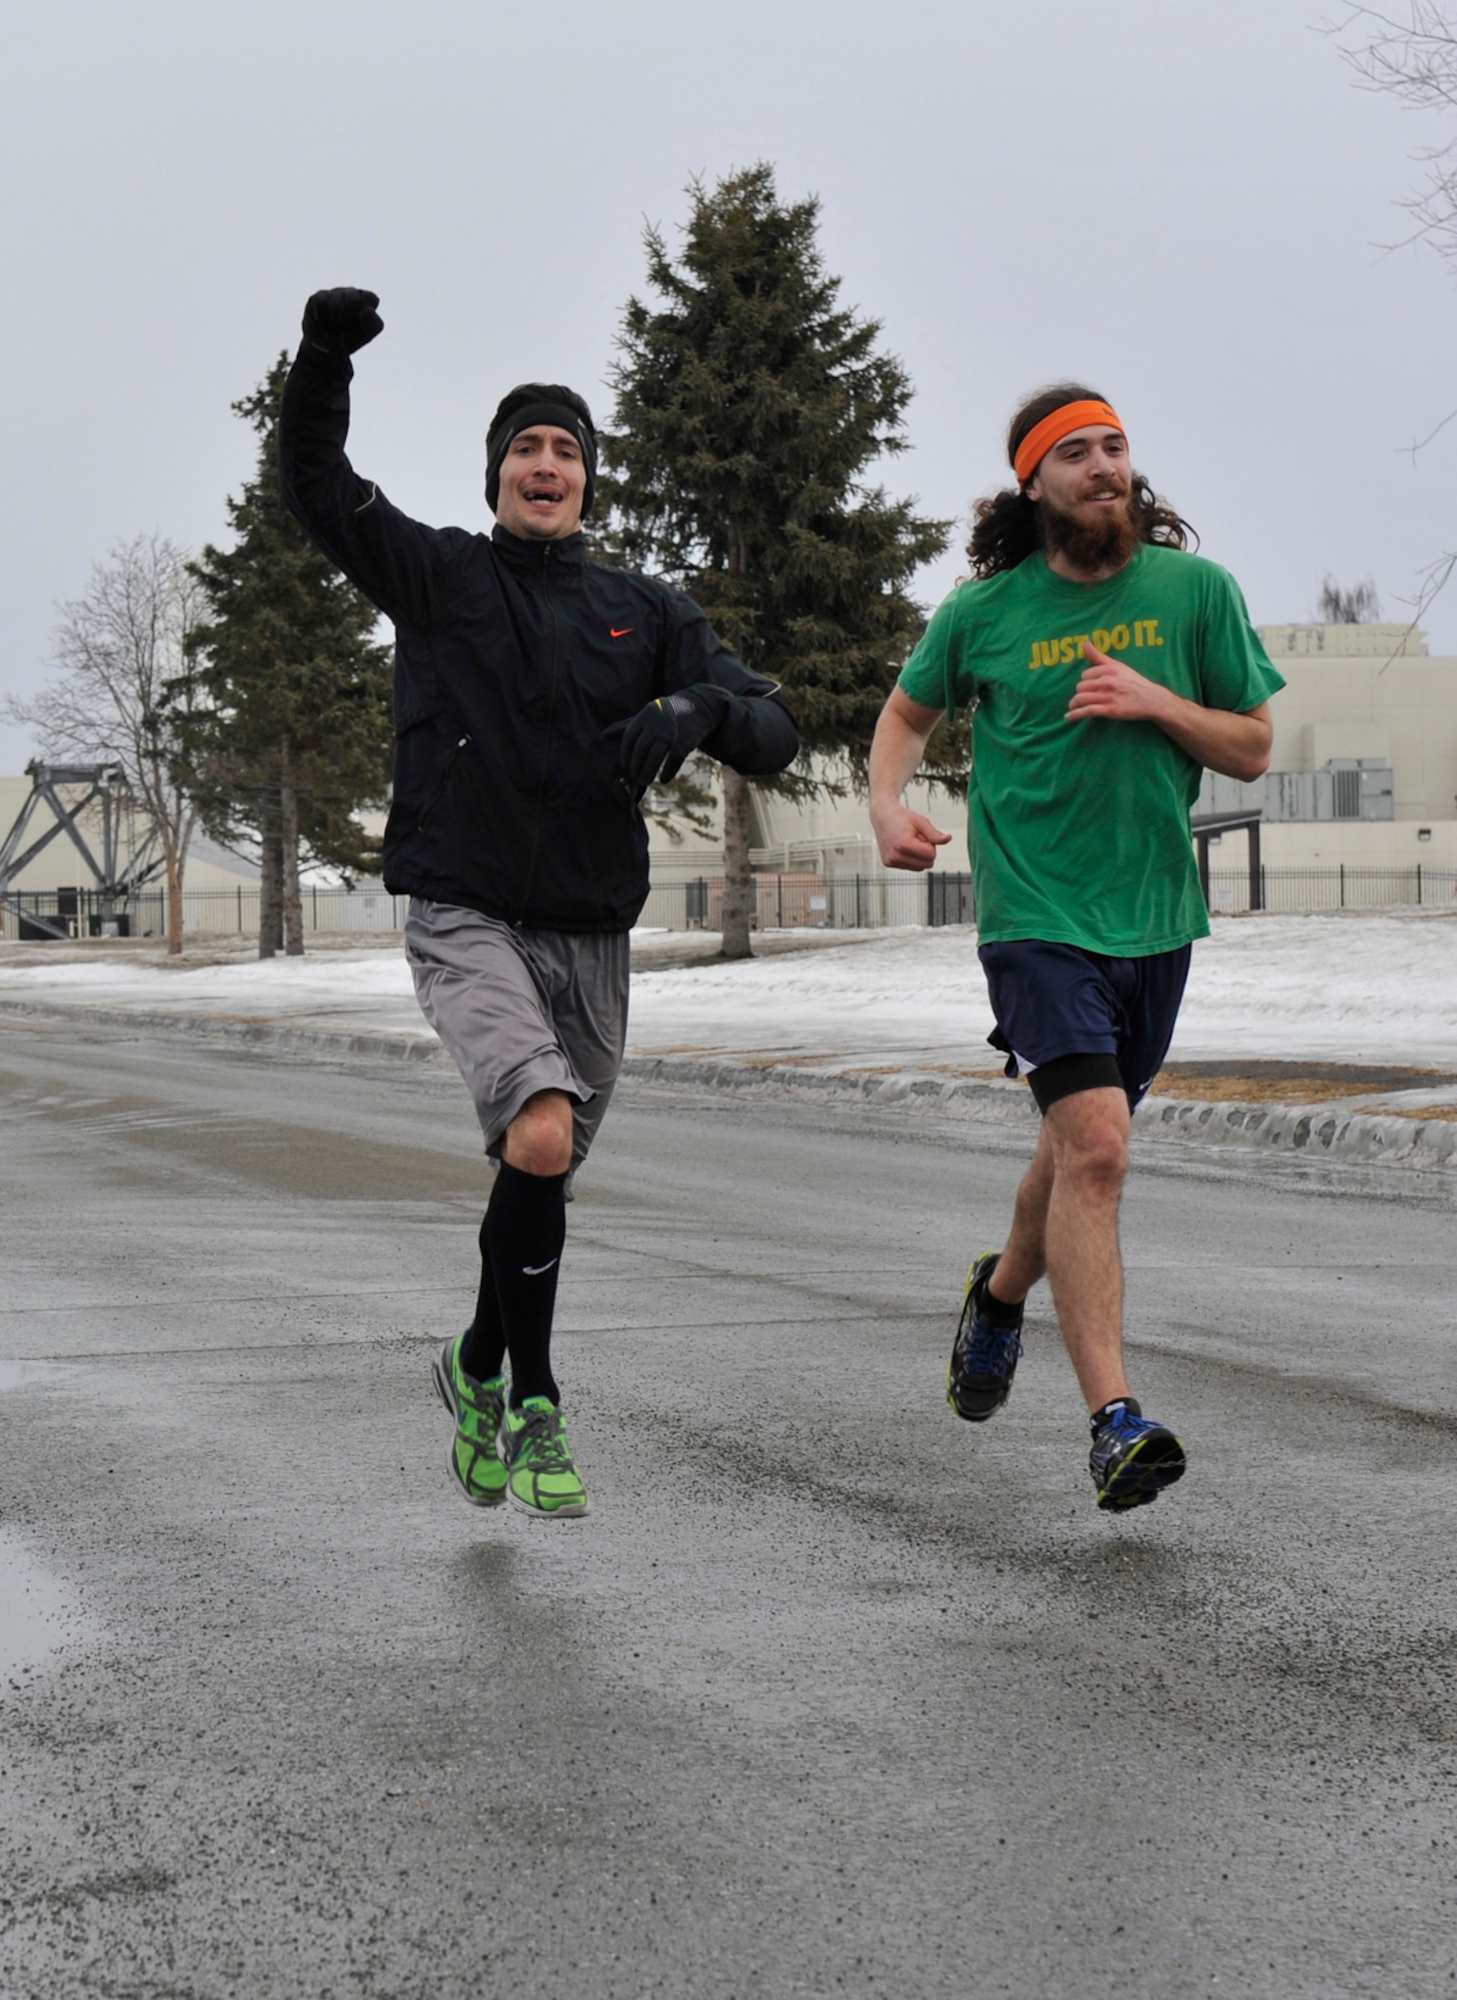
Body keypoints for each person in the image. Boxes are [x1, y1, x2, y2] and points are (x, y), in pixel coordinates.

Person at [279, 288, 799, 1519]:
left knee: (536, 1164)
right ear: (496, 474)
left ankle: (470, 1362)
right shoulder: (443, 576)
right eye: (526, 446)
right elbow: (315, 481)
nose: (545, 464)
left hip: (589, 931)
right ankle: (538, 1396)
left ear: (587, 480)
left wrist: (693, 708)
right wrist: (322, 359)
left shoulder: (648, 612)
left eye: (565, 448)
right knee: (544, 1130)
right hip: (463, 911)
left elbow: (771, 728)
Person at [868, 384, 1283, 1510]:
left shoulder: (1193, 592)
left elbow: (1250, 747)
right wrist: (884, 803)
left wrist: (1155, 699)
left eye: (1113, 446)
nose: (1103, 465)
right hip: (1033, 914)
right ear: (1033, 482)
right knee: (1097, 1144)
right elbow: (906, 711)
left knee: (1069, 1151)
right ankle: (1113, 1419)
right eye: (1075, 452)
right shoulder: (985, 610)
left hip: (1151, 917)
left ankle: (999, 1295)